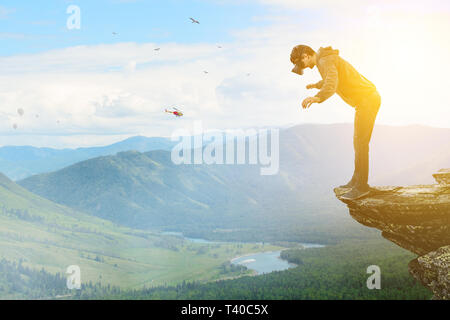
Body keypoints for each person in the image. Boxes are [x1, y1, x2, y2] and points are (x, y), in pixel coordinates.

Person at [290, 45, 381, 200]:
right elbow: (331, 78)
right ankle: (356, 180)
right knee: (358, 142)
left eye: (301, 64)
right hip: (366, 100)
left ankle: (362, 186)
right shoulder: (324, 60)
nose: (303, 68)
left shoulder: (325, 60)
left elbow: (332, 84)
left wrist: (318, 97)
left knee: (361, 143)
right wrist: (316, 85)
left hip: (368, 100)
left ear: (305, 55)